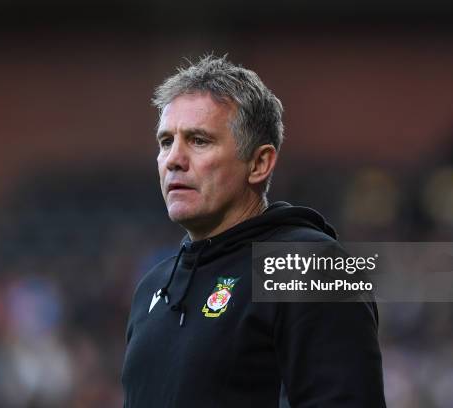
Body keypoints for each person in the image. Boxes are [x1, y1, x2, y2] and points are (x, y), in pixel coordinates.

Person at [121, 55, 386, 407]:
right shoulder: (152, 287)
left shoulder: (308, 267)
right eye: (166, 141)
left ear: (259, 163)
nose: (173, 159)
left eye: (198, 140)